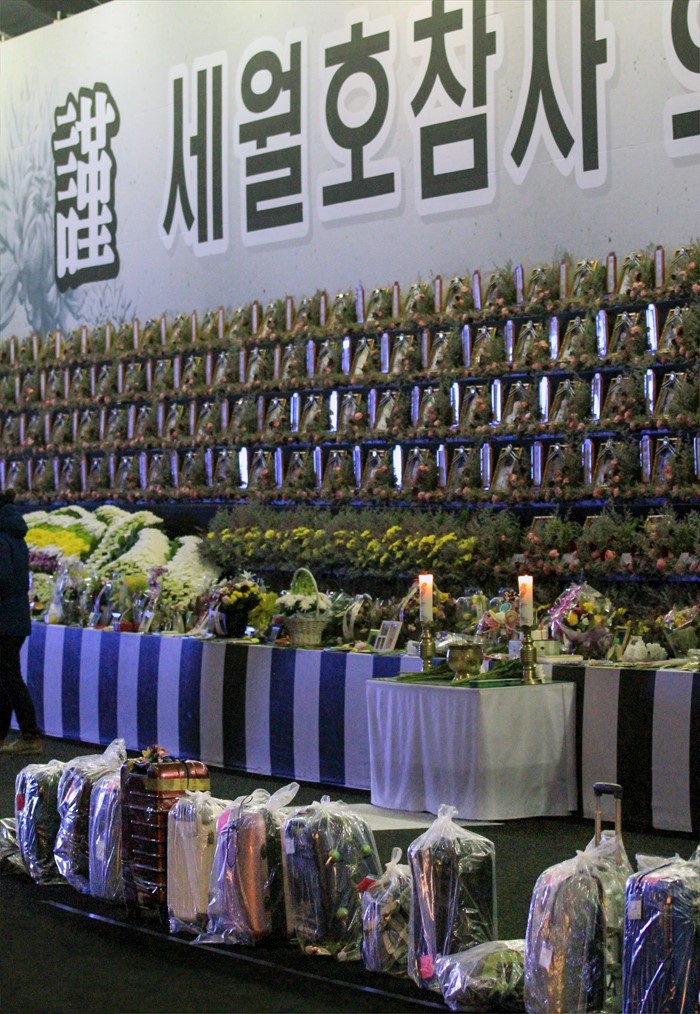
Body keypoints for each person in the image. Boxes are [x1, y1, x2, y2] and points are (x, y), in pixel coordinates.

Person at [0, 489, 42, 755]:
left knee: (11, 679)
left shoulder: (2, 539)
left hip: (4, 619)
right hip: (14, 617)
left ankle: (30, 734)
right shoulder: (14, 536)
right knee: (5, 678)